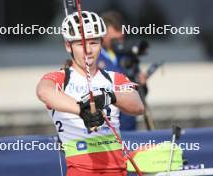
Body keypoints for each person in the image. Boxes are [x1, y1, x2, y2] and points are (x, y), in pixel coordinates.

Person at [36, 11, 144, 176]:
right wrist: (82, 110)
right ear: (68, 46)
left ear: (102, 43)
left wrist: (110, 97)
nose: (88, 50)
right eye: (80, 44)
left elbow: (137, 105)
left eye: (94, 43)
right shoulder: (60, 78)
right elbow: (44, 91)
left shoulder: (114, 77)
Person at [97, 11, 148, 131]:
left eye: (121, 39)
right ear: (102, 35)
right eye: (114, 39)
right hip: (106, 128)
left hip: (129, 125)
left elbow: (140, 95)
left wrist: (142, 84)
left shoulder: (126, 55)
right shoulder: (93, 57)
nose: (119, 43)